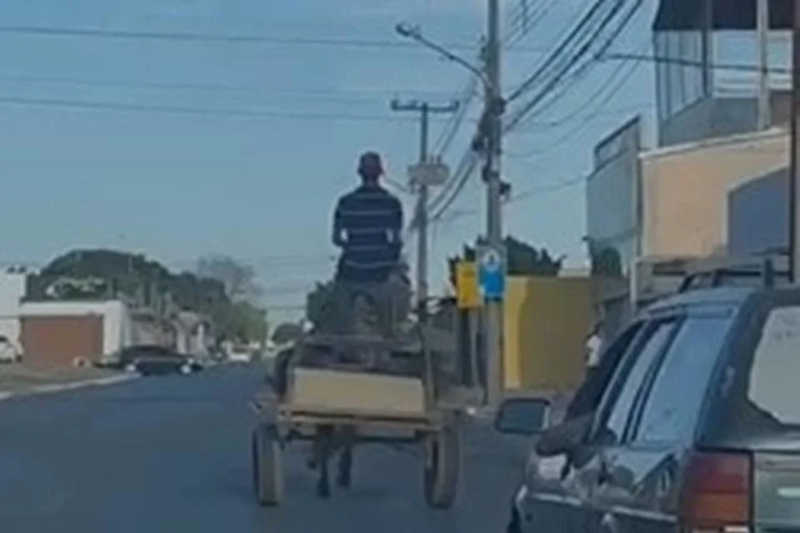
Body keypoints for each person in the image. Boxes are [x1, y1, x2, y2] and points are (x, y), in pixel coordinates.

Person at [332, 151, 404, 283]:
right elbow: (396, 241)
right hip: (382, 270)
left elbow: (336, 239)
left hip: (352, 269)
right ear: (380, 173)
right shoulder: (392, 203)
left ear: (359, 173)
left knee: (335, 301)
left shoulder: (346, 203)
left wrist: (352, 246)